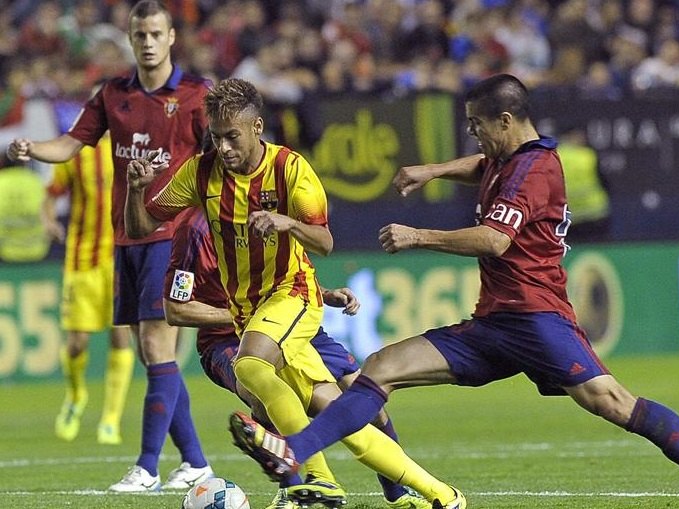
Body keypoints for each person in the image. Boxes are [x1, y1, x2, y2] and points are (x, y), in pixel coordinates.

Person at [230, 74, 679, 509]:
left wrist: (419, 236)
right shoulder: (509, 161)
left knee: (614, 403)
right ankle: (294, 452)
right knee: (382, 366)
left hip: (538, 320)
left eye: (476, 126)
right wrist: (433, 170)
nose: (473, 135)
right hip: (495, 324)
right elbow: (483, 166)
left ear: (505, 121)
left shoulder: (536, 169)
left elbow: (494, 239)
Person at [124, 77, 464, 509]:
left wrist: (289, 223)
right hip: (251, 315)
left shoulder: (290, 169)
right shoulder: (201, 173)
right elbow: (141, 227)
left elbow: (324, 241)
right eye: (217, 137)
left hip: (293, 294)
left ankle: (317, 477)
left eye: (232, 137)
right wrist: (136, 189)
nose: (223, 147)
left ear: (257, 127)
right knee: (339, 415)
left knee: (251, 365)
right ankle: (443, 495)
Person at [6, 0, 214, 492]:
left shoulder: (195, 94)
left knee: (156, 344)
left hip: (173, 235)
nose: (148, 42)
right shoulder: (112, 94)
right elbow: (70, 144)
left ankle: (147, 467)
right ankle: (196, 462)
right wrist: (32, 149)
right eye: (140, 34)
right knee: (152, 354)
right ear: (131, 39)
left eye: (156, 33)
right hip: (126, 236)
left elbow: (221, 156)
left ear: (171, 38)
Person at [163, 205, 430, 509]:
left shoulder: (265, 212)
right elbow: (177, 309)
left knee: (368, 402)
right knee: (263, 395)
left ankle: (398, 493)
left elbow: (286, 272)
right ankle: (292, 491)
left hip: (291, 322)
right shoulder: (195, 230)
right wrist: (244, 315)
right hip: (227, 339)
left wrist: (324, 294)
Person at [42, 134, 134, 445]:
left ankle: (111, 418)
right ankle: (75, 395)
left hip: (119, 259)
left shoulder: (127, 148)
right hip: (82, 260)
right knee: (76, 343)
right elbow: (50, 195)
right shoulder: (76, 152)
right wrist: (49, 221)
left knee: (120, 335)